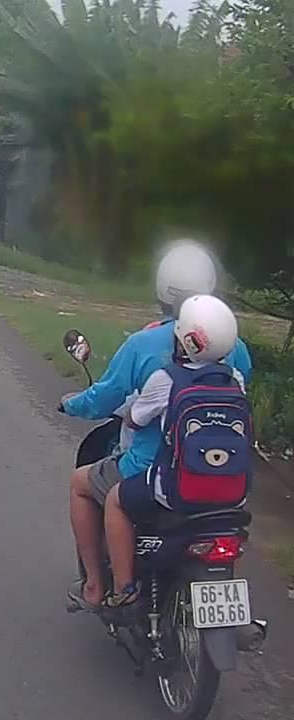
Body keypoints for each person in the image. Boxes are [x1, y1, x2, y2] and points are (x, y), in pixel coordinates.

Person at [60, 240, 251, 610]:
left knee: (83, 485)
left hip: (154, 471)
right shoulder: (234, 350)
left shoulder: (147, 349)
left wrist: (71, 404)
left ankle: (99, 586)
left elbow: (108, 400)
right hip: (225, 476)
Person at [100, 294, 245, 610]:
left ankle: (123, 589)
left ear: (184, 340)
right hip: (231, 495)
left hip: (177, 489)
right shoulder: (236, 380)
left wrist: (132, 410)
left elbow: (135, 420)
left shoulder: (166, 379)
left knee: (114, 500)